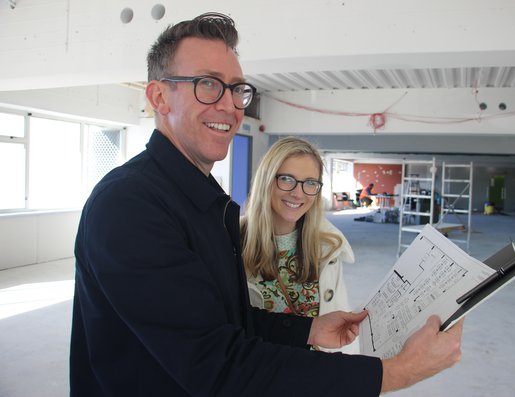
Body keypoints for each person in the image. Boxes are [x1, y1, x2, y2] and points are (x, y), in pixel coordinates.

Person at [69, 12, 463, 397]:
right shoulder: (130, 206)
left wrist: (306, 329)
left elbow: (223, 322)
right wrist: (395, 372)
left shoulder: (202, 200)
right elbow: (219, 365)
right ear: (159, 96)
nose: (230, 105)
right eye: (208, 84)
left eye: (237, 89)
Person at [240, 137, 356, 351]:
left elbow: (341, 325)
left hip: (315, 377)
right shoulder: (232, 243)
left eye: (310, 183)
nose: (298, 193)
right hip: (262, 376)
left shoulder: (328, 247)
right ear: (266, 180)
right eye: (286, 179)